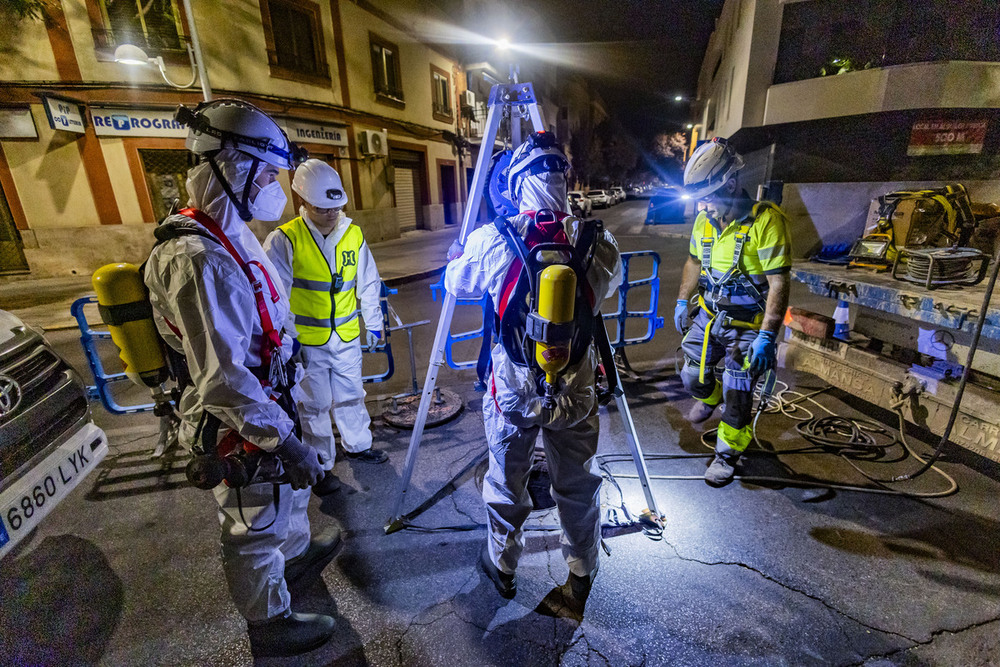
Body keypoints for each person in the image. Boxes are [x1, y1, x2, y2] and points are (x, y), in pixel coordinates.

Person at [144, 99, 340, 657]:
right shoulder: (197, 258)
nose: (274, 189)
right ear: (234, 169)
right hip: (240, 417)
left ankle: (295, 557)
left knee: (283, 502)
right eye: (266, 176)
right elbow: (225, 379)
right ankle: (269, 621)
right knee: (252, 524)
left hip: (271, 396)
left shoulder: (231, 234)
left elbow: (264, 312)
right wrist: (287, 441)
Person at [444, 132, 622, 607]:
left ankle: (503, 567)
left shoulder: (493, 238)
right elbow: (608, 289)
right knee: (578, 483)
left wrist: (458, 258)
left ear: (518, 183)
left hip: (513, 391)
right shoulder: (599, 240)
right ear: (565, 181)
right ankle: (581, 572)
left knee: (506, 480)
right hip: (577, 389)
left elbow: (455, 283)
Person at [264, 159, 387, 497]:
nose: (332, 213)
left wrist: (374, 324)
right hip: (307, 341)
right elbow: (276, 299)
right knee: (315, 405)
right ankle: (319, 465)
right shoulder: (284, 240)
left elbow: (368, 282)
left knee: (351, 395)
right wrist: (288, 341)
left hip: (345, 335)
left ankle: (359, 445)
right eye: (323, 208)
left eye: (336, 206)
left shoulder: (353, 234)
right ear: (303, 202)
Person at [673, 137, 792, 486]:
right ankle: (709, 399)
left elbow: (779, 283)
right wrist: (684, 300)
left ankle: (726, 454)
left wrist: (768, 336)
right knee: (691, 376)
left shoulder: (766, 221)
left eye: (709, 196)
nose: (703, 206)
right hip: (709, 318)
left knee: (737, 392)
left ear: (731, 183)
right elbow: (694, 262)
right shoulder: (704, 221)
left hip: (749, 325)